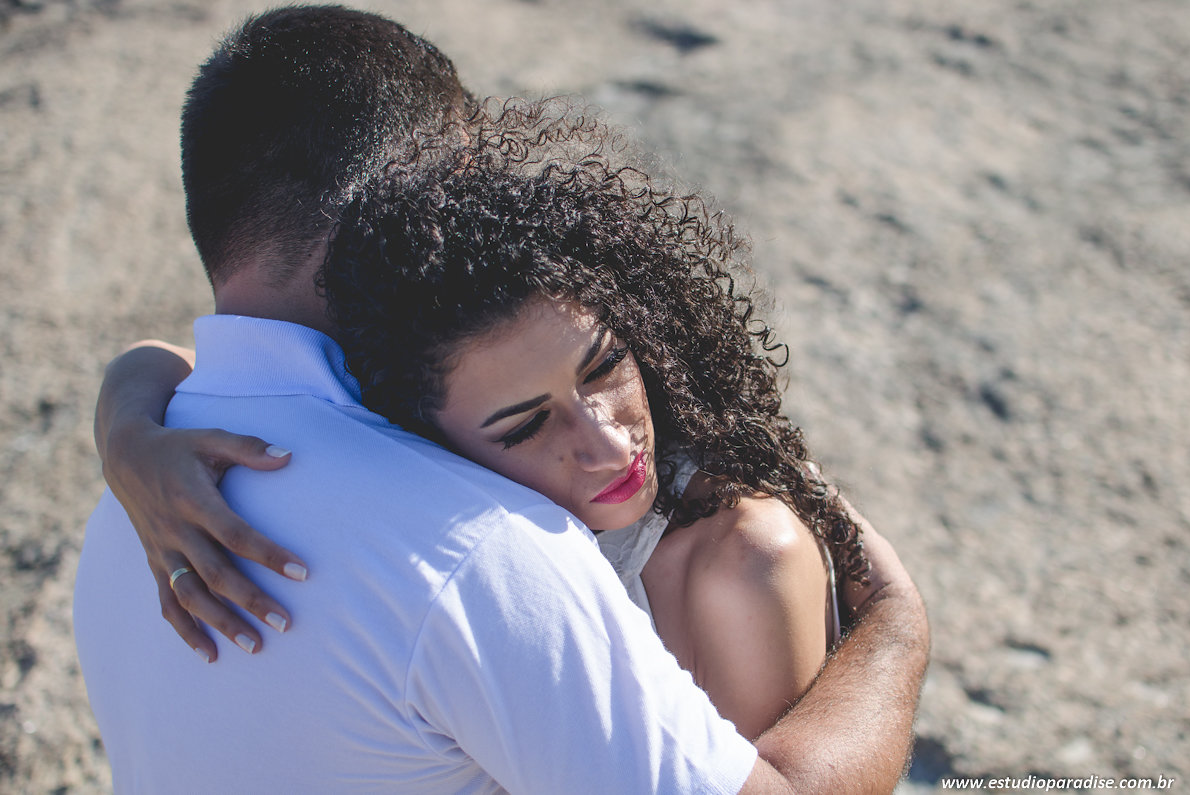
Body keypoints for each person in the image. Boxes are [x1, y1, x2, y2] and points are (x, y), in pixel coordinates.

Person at [77, 5, 929, 793]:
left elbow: (166, 360)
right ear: (415, 204)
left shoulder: (132, 507)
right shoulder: (477, 550)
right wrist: (894, 624)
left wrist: (123, 419)